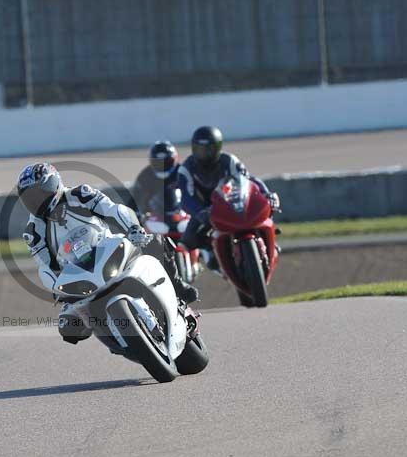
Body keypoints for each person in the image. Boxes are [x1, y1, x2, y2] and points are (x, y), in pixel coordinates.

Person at [16, 162, 198, 345]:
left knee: (156, 242)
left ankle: (177, 290)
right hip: (77, 276)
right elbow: (45, 266)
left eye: (41, 193)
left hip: (109, 249)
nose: (37, 201)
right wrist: (57, 288)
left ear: (54, 183)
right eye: (30, 198)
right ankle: (117, 340)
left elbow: (114, 210)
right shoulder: (33, 232)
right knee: (68, 328)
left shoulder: (80, 194)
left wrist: (134, 228)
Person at [178, 126, 280, 270]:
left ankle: (270, 243)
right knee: (186, 242)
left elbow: (249, 181)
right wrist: (199, 212)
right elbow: (187, 198)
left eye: (209, 149)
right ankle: (209, 252)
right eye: (200, 149)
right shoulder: (186, 169)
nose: (204, 154)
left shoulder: (230, 161)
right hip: (206, 209)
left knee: (265, 208)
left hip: (232, 203)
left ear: (218, 147)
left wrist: (266, 194)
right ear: (193, 148)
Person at [130, 140, 181, 216]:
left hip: (183, 214)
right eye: (158, 162)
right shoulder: (145, 176)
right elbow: (135, 198)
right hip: (154, 217)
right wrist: (136, 214)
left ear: (174, 159)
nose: (163, 165)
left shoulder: (182, 172)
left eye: (166, 161)